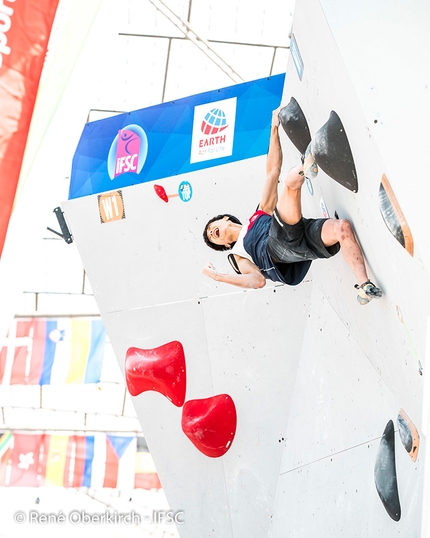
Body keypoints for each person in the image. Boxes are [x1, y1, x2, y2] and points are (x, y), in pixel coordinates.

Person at [202, 108, 382, 305]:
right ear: (225, 245)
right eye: (213, 238)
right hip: (278, 249)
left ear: (226, 218)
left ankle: (365, 287)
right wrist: (218, 277)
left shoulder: (259, 214)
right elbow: (258, 281)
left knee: (342, 228)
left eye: (212, 227)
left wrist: (274, 127)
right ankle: (308, 161)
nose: (212, 233)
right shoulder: (236, 255)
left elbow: (272, 170)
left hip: (300, 243)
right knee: (290, 184)